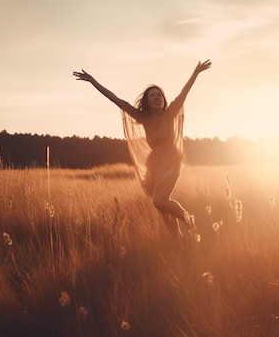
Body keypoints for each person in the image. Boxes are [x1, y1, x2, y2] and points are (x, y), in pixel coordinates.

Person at [73, 60, 211, 237]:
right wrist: (93, 81)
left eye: (159, 95)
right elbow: (116, 100)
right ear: (147, 101)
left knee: (159, 201)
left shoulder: (170, 113)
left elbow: (184, 93)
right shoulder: (142, 117)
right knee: (162, 206)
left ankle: (189, 220)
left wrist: (196, 72)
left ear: (163, 100)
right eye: (153, 96)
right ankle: (178, 240)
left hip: (171, 160)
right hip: (155, 163)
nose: (157, 98)